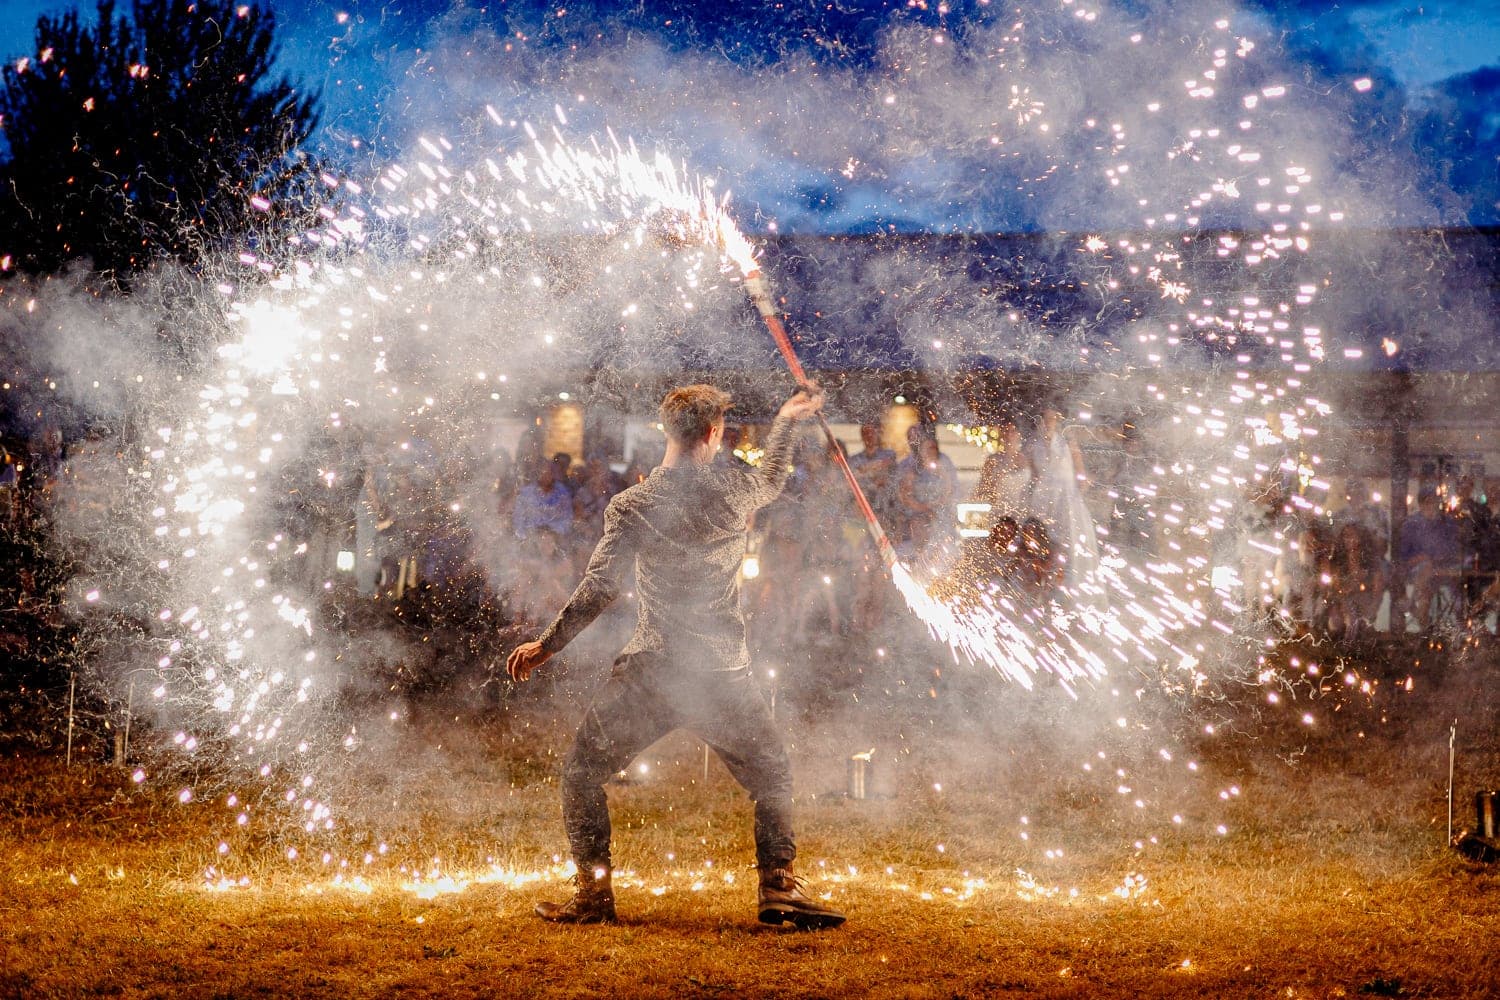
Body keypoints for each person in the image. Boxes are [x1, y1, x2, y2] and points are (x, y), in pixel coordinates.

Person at [506, 383, 845, 930]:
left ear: (667, 431)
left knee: (581, 774)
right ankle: (777, 887)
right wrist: (786, 422)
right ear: (713, 433)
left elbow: (598, 587)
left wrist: (548, 645)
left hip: (655, 669)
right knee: (773, 777)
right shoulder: (735, 489)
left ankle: (594, 898)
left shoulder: (635, 504)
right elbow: (774, 478)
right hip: (721, 672)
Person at [1027, 406, 1100, 595]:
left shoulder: (1067, 442)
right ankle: (1042, 588)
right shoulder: (1034, 445)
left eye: (1053, 418)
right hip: (1043, 501)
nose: (1049, 422)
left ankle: (1069, 591)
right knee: (1043, 545)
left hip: (1066, 500)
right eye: (1045, 419)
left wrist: (1076, 498)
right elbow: (1034, 476)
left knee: (1067, 546)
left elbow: (1081, 473)